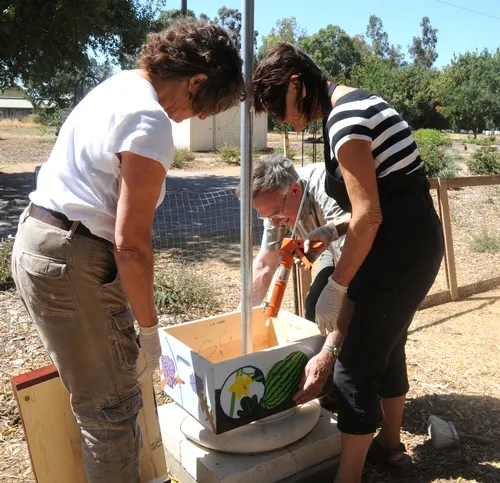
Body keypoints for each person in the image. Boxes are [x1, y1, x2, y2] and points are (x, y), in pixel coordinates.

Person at [11, 19, 243, 483]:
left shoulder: (116, 88)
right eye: (204, 105)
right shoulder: (149, 117)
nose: (196, 118)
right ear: (196, 80)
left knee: (97, 399)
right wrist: (149, 328)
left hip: (39, 241)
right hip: (72, 257)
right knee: (111, 411)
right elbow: (131, 245)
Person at [251, 43, 444, 483]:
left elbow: (369, 214)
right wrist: (330, 237)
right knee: (386, 345)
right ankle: (390, 448)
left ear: (297, 85)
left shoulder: (346, 119)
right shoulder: (352, 106)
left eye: (279, 108)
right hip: (406, 247)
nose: (283, 121)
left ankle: (348, 477)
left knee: (352, 362)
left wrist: (338, 286)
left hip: (398, 253)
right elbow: (370, 211)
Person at [237, 154, 350, 322]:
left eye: (275, 213)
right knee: (315, 304)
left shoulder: (328, 190)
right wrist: (241, 320)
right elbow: (264, 266)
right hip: (332, 243)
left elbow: (347, 258)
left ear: (295, 191)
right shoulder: (276, 205)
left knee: (354, 310)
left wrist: (336, 295)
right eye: (266, 217)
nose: (274, 223)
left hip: (365, 241)